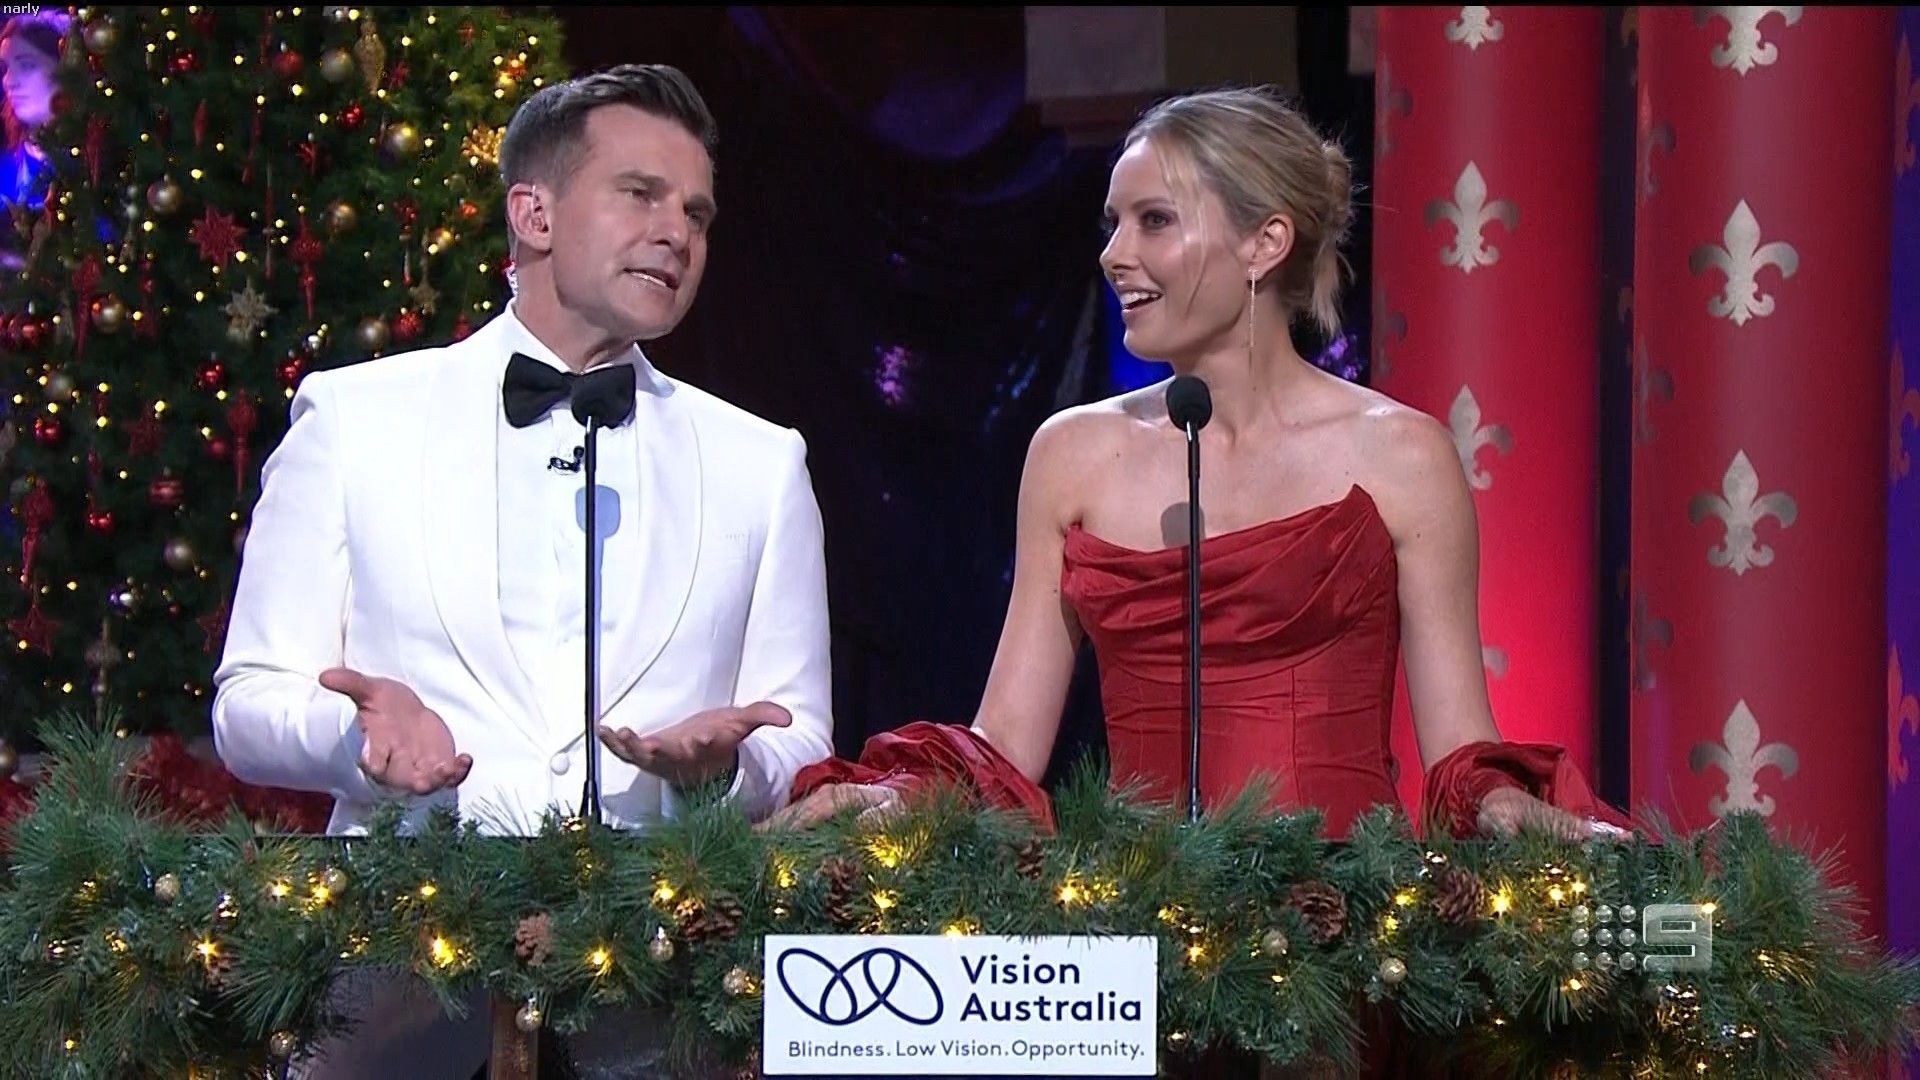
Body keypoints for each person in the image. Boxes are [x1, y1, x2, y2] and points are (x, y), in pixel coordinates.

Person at [774, 88, 1627, 1072]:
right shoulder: (1071, 453)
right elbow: (1006, 738)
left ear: (1266, 242)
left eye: (1153, 221)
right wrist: (898, 794)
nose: (1113, 254)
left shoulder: (1402, 455)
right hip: (1129, 951)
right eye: (1112, 223)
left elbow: (1459, 747)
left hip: (1333, 948)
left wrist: (1509, 807)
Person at [212, 63, 834, 1077]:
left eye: (696, 213)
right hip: (395, 994)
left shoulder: (760, 463)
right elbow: (246, 703)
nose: (677, 233)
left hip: (657, 1006)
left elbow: (800, 739)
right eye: (640, 194)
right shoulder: (354, 421)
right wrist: (359, 742)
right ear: (533, 214)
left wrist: (725, 772)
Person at [0, 10, 62, 272]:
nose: (9, 82)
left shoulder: (99, 164)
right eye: (5, 68)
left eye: (26, 65)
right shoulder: (8, 167)